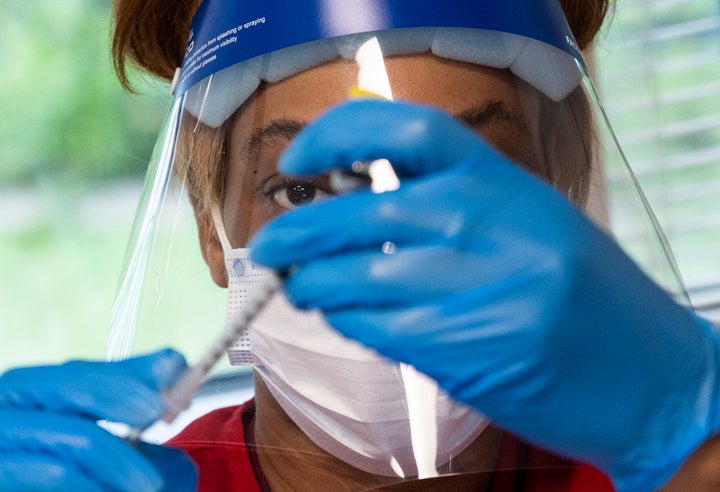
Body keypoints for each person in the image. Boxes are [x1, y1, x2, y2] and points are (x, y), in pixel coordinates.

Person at [2, 0, 720, 491]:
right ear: (209, 226)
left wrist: (697, 439)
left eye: (459, 182)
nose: (386, 253)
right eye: (305, 192)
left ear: (563, 186)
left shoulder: (655, 460)